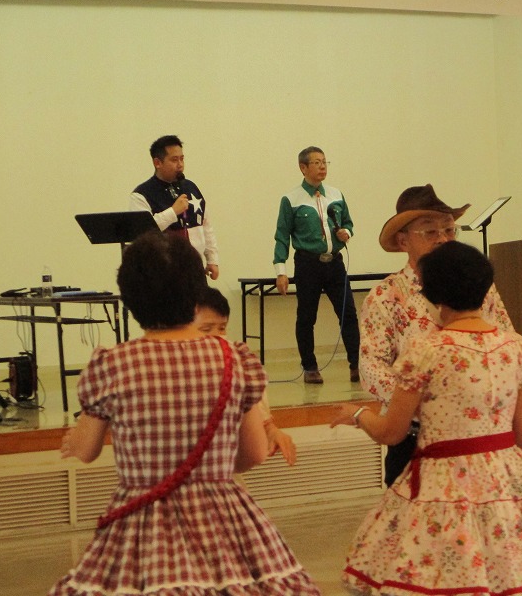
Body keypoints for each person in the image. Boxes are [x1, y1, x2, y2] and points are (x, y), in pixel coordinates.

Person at [332, 241, 522, 596]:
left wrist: (357, 414)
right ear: (485, 289)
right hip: (507, 474)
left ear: (433, 294)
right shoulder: (515, 346)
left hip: (440, 485)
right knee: (509, 575)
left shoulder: (424, 351)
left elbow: (392, 432)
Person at [49, 231, 319, 595]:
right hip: (223, 520)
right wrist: (212, 467)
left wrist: (75, 441)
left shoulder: (113, 364)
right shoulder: (233, 358)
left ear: (129, 298)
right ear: (196, 296)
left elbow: (87, 450)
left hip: (143, 526)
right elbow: (254, 453)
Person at [359, 183, 514, 486]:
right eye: (430, 231)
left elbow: (504, 339)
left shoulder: (480, 287)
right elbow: (371, 366)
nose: (443, 239)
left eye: (449, 230)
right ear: (403, 241)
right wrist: (421, 400)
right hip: (414, 437)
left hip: (479, 433)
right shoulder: (385, 296)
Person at [273, 146, 359, 384]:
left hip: (335, 263)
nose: (322, 167)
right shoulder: (291, 199)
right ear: (303, 167)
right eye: (317, 162)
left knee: (348, 313)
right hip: (307, 264)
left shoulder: (336, 194)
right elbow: (282, 236)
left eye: (324, 162)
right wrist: (281, 272)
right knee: (306, 317)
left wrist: (346, 232)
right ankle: (310, 367)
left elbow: (349, 223)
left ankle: (356, 364)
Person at [196, 286, 297, 466]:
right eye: (206, 329)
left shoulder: (235, 357)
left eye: (222, 328)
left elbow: (254, 396)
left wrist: (270, 428)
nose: (216, 335)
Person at [130, 135, 219, 279]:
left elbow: (205, 224)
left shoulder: (191, 188)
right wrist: (173, 212)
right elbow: (142, 232)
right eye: (174, 160)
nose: (180, 165)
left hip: (195, 269)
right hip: (162, 273)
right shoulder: (142, 195)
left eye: (182, 159)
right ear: (157, 163)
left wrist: (212, 259)